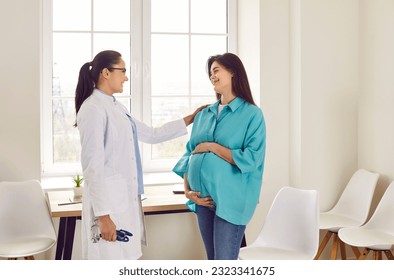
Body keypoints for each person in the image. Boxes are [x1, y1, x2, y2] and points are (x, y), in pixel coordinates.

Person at [75, 50, 205, 260]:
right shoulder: (92, 109)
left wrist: (189, 119)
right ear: (106, 73)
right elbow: (92, 167)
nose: (126, 77)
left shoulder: (116, 107)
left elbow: (152, 134)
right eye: (123, 71)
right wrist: (103, 216)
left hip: (123, 202)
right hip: (108, 207)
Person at [173, 53, 266, 260]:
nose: (212, 76)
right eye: (210, 73)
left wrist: (212, 147)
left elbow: (252, 158)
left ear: (232, 72)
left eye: (216, 71)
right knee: (213, 261)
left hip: (231, 199)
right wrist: (187, 191)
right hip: (203, 199)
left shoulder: (251, 114)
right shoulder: (204, 114)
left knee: (224, 262)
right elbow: (189, 153)